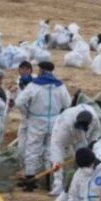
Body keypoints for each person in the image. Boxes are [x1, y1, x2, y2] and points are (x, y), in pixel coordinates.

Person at [15, 61, 71, 192]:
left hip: (36, 120)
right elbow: (67, 103)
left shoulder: (34, 85)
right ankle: (48, 181)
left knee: (33, 149)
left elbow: (19, 102)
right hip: (55, 121)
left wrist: (26, 113)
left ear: (41, 71)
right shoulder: (60, 85)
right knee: (51, 150)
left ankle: (30, 181)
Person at [47, 106, 101, 199]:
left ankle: (84, 183)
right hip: (63, 134)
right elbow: (58, 145)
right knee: (57, 160)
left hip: (81, 137)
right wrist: (58, 162)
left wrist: (92, 142)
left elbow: (96, 131)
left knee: (84, 158)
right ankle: (57, 185)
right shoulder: (65, 123)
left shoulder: (94, 119)